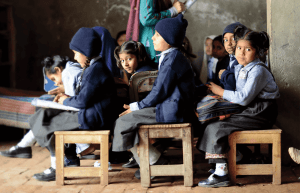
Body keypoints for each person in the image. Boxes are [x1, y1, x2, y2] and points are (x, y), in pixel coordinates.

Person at [112, 14, 196, 179]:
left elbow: (159, 91)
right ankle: (152, 161)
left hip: (174, 110)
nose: (153, 38)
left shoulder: (172, 59)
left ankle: (154, 164)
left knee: (123, 121)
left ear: (169, 39)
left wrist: (136, 106)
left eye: (157, 35)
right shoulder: (171, 57)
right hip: (171, 106)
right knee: (131, 121)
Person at [197, 26, 280, 188]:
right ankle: (236, 158)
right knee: (211, 122)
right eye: (239, 48)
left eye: (248, 49)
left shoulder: (258, 70)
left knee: (218, 127)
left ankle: (221, 173)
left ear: (258, 52)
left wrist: (220, 91)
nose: (241, 53)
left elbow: (242, 98)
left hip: (262, 112)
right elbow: (240, 95)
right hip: (250, 109)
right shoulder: (242, 68)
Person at [219, 22, 246, 91]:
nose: (229, 43)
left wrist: (224, 74)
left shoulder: (244, 60)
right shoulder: (232, 58)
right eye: (225, 40)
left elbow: (237, 83)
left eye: (233, 39)